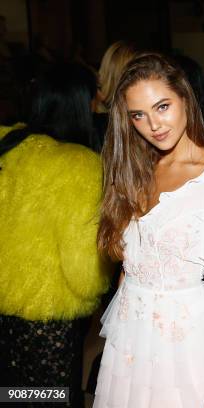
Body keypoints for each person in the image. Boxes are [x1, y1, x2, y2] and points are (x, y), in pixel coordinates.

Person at [94, 53, 204, 407]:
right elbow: (130, 268)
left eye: (162, 106)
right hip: (130, 341)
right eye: (139, 115)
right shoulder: (136, 170)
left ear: (184, 99)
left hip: (186, 342)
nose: (154, 124)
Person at [0, 63, 110, 406]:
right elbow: (83, 272)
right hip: (50, 319)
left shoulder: (8, 145)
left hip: (5, 314)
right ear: (81, 103)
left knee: (13, 395)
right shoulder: (80, 165)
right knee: (53, 398)